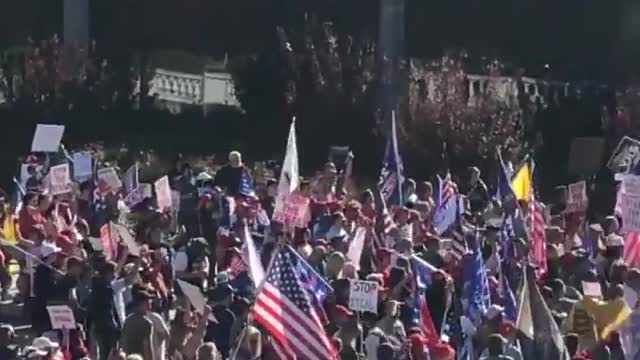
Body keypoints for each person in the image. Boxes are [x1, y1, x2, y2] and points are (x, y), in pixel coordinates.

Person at [120, 289, 154, 360]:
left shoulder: (128, 320)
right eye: (147, 302)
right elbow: (147, 346)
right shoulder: (146, 323)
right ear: (142, 304)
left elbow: (123, 342)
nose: (149, 304)